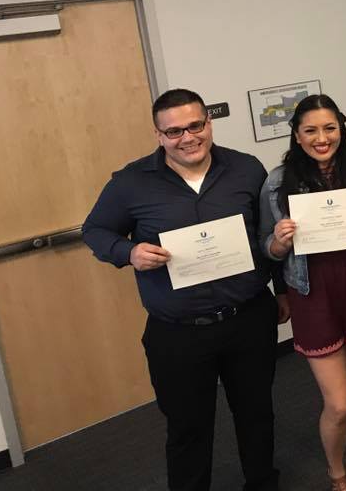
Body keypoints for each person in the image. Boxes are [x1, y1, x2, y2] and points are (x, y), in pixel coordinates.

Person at [82, 88, 288, 491]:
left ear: (208, 124)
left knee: (257, 414)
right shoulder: (130, 182)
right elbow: (95, 230)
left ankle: (262, 483)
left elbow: (270, 233)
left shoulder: (246, 169)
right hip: (177, 331)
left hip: (247, 318)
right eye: (174, 131)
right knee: (187, 429)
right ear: (159, 135)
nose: (188, 137)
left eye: (196, 125)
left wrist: (281, 291)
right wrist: (128, 251)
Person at [259, 95, 346, 491]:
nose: (321, 138)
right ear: (297, 135)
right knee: (339, 402)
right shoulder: (277, 181)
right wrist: (279, 243)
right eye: (311, 130)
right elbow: (267, 247)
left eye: (329, 128)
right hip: (312, 294)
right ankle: (337, 474)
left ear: (341, 129)